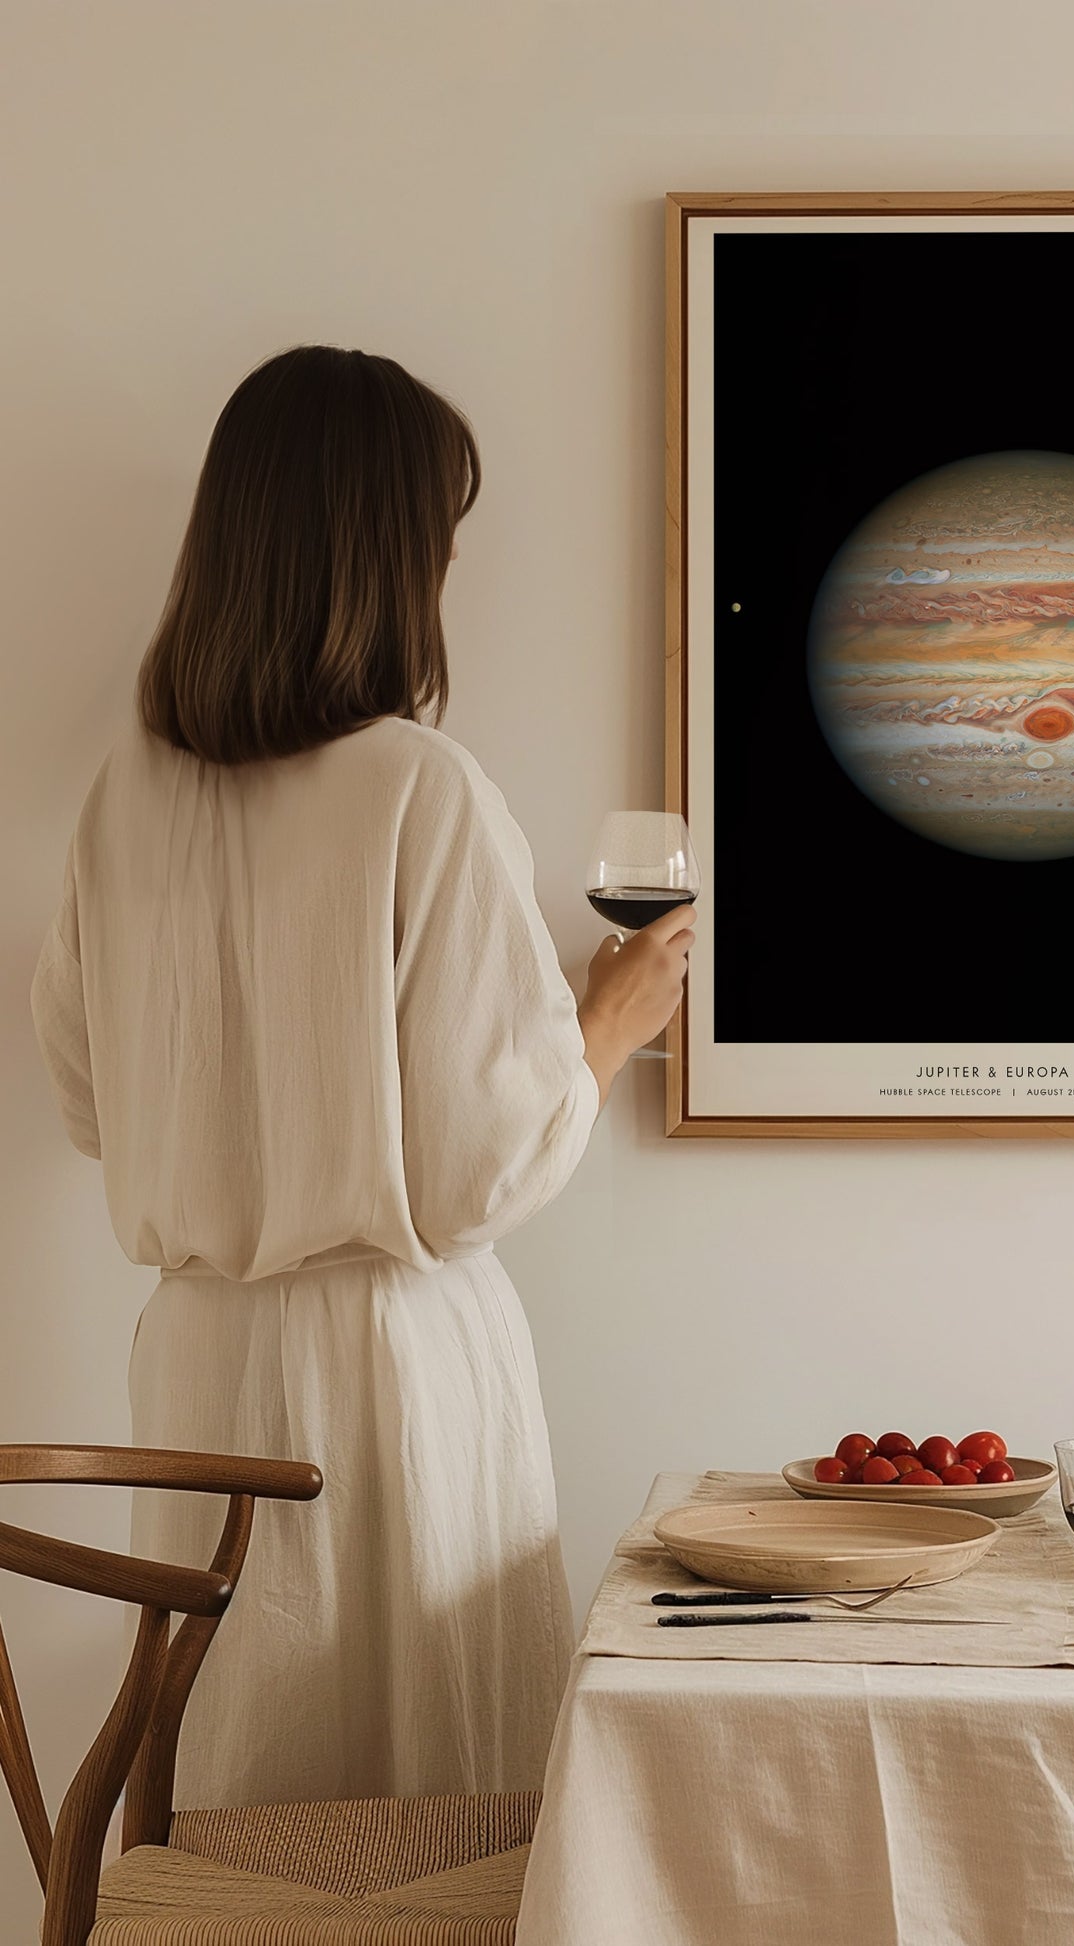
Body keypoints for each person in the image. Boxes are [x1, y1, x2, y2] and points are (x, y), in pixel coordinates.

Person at [29, 345, 689, 1806]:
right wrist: (607, 1018)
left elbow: (87, 1101)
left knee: (240, 1790)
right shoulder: (417, 785)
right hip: (390, 1372)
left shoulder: (123, 797)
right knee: (422, 1811)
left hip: (198, 1361)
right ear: (388, 556)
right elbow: (474, 1173)